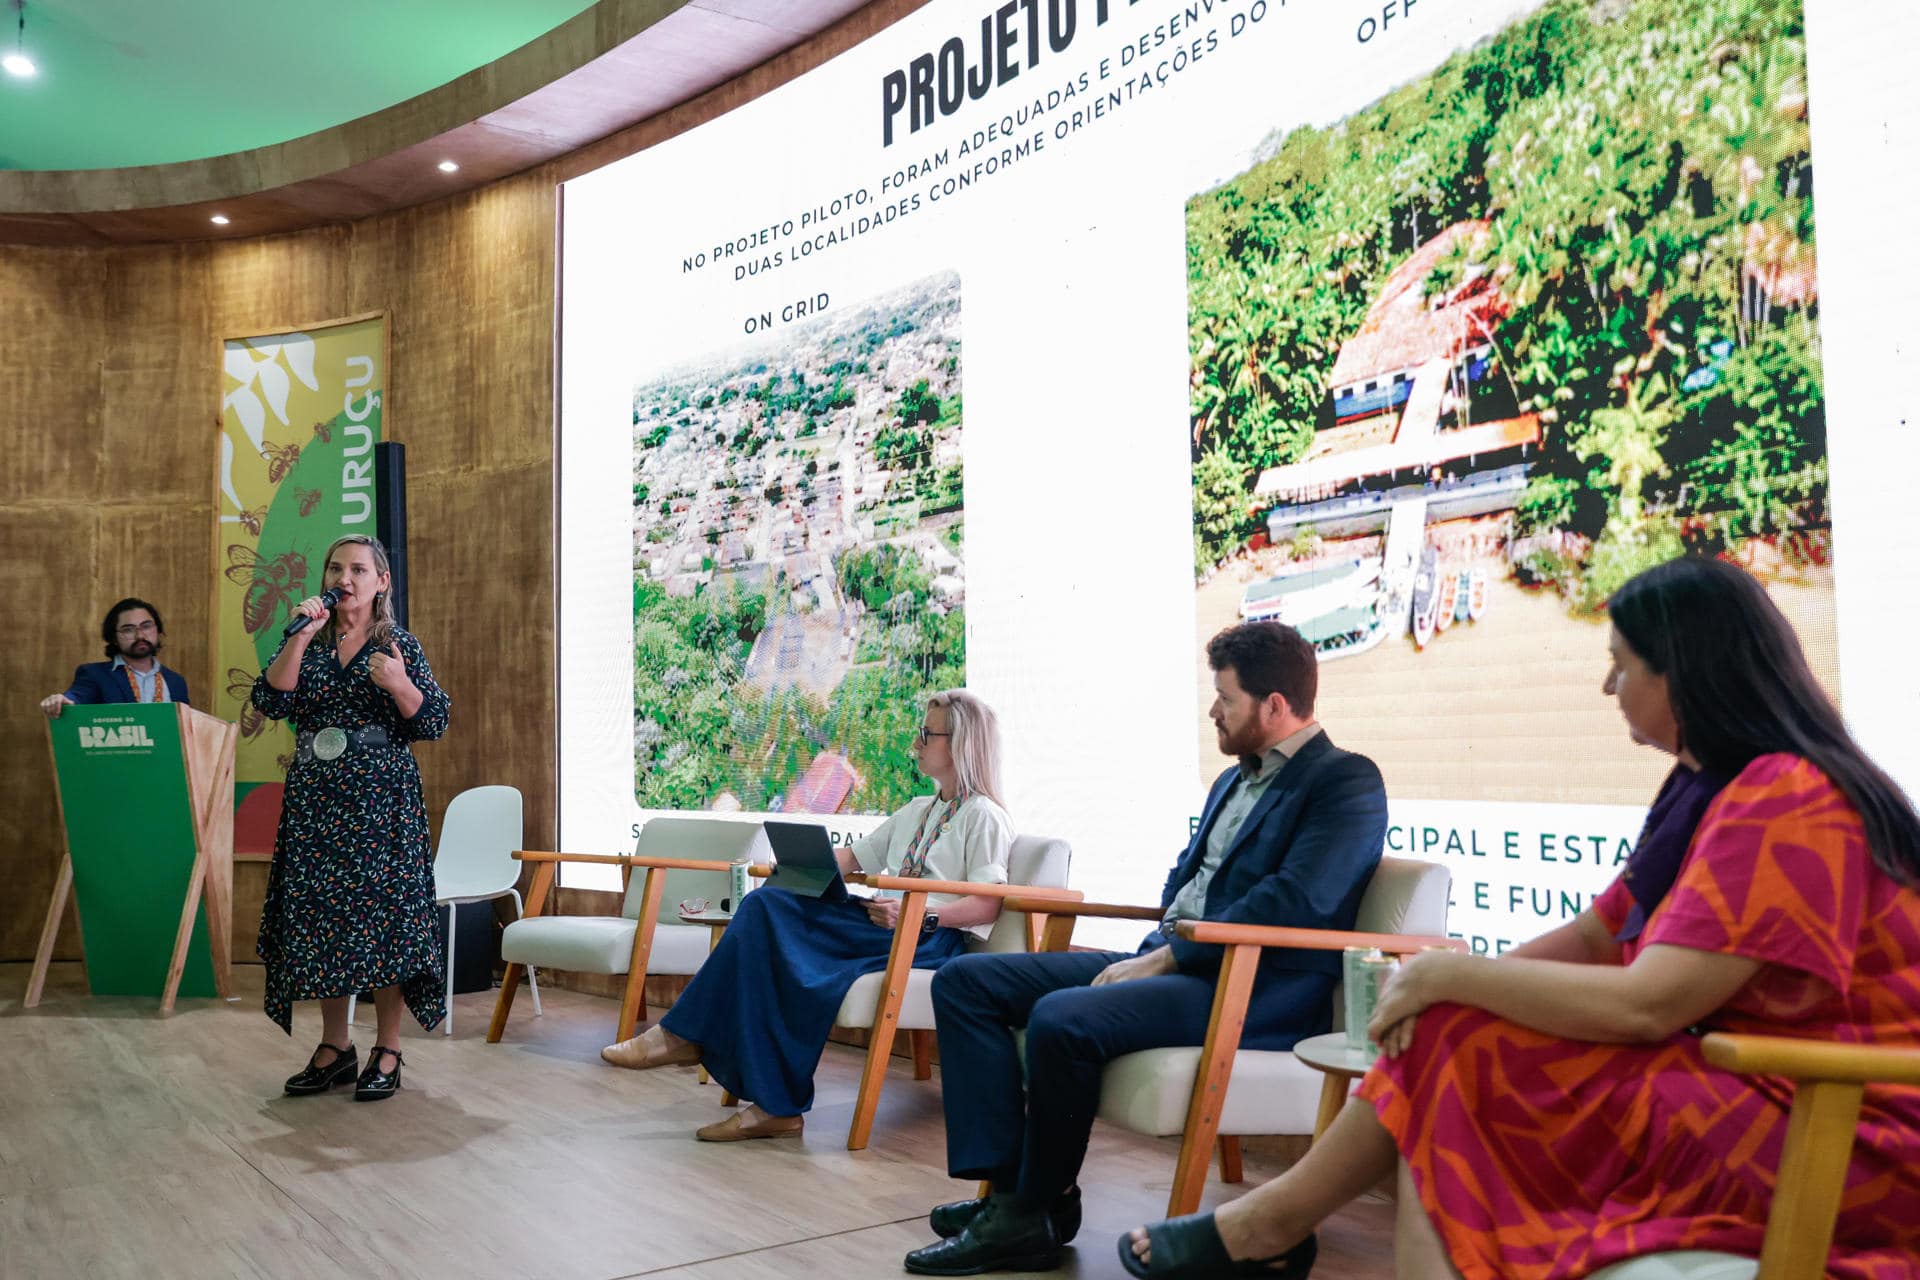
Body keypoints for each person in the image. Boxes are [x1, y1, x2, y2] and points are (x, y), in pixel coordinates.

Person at [1119, 556, 1920, 1280]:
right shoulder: (1705, 786)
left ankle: (1270, 1223)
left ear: (1681, 675)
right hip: (1753, 1081)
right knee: (1448, 1037)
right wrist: (1451, 985)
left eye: (1621, 665)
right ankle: (1268, 1224)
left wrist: (1449, 973)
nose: (1609, 688)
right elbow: (1598, 937)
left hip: (1838, 1122)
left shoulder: (1786, 798)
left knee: (1455, 1049)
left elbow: (1650, 1003)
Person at [902, 621, 1388, 1276]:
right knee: (966, 985)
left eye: (1226, 699)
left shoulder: (1345, 782)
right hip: (1171, 959)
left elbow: (1297, 899)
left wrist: (1168, 954)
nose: (1213, 711)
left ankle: (1022, 1215)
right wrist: (1160, 944)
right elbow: (1181, 884)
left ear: (1276, 706)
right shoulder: (1228, 783)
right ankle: (1020, 1198)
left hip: (1248, 988)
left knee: (1062, 1018)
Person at [600, 689, 1014, 1142]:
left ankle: (693, 1043)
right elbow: (853, 858)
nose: (915, 743)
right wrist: (802, 866)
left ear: (960, 744)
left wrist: (922, 917)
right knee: (767, 903)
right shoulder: (919, 809)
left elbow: (985, 902)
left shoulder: (985, 816)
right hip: (881, 923)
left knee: (769, 919)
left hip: (927, 936)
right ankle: (745, 1084)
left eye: (926, 734)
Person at [253, 534, 450, 1102]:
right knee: (322, 922)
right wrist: (299, 638)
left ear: (381, 581)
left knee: (383, 922)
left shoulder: (397, 644)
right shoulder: (308, 641)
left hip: (380, 803)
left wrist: (400, 685)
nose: (346, 577)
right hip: (317, 800)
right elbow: (272, 701)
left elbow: (433, 720)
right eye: (336, 567)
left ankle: (388, 1047)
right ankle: (335, 1047)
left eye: (359, 569)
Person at [40, 598, 190, 716]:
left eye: (146, 626)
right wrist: (63, 701)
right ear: (114, 638)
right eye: (128, 630)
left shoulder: (176, 681)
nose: (140, 635)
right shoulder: (95, 675)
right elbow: (76, 698)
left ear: (157, 630)